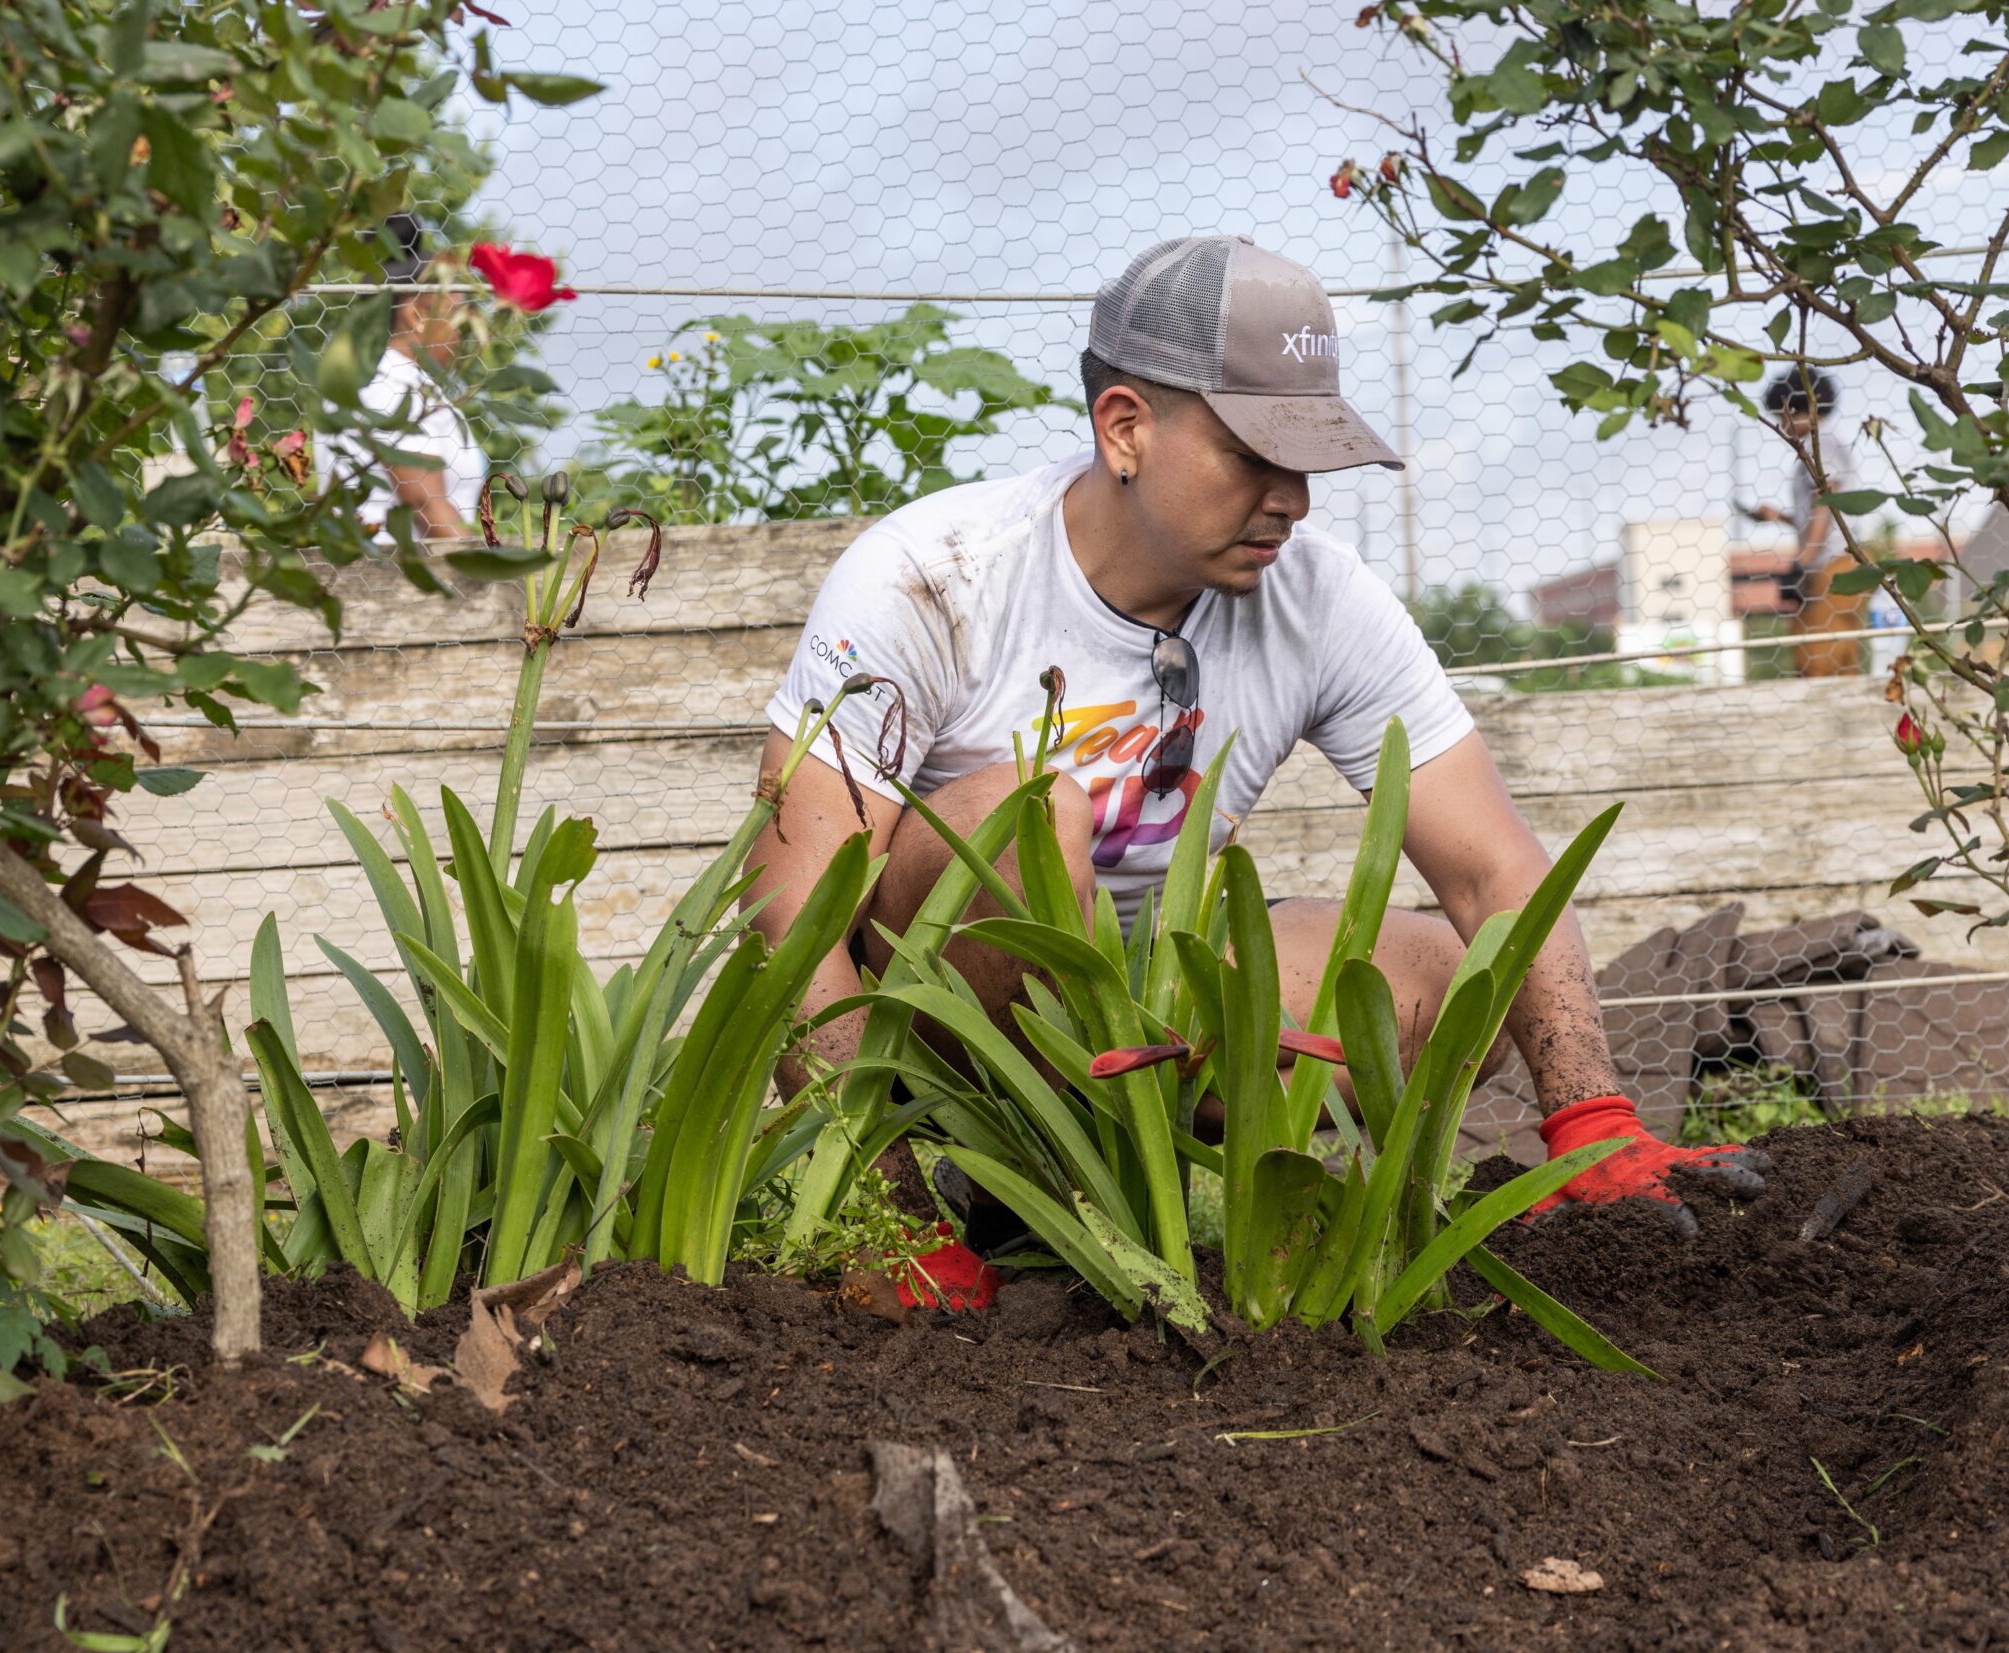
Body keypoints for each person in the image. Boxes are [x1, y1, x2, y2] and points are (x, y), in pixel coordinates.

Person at [752, 236, 1768, 1290]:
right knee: (1027, 809)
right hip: (948, 1016)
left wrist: (1589, 1118)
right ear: (1126, 427)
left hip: (1161, 991)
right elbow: (789, 910)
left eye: (1307, 459)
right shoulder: (933, 577)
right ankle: (994, 1180)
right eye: (1251, 455)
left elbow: (1492, 870)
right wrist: (882, 1215)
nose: (1291, 498)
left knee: (1444, 980)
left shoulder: (1319, 594)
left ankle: (1138, 1179)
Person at [312, 213, 485, 542]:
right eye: (455, 314)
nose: (462, 332)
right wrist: (499, 579)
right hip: (392, 581)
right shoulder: (392, 387)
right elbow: (426, 505)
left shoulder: (388, 381)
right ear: (416, 313)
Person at [1747, 364, 1865, 675]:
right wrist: (1781, 518)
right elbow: (1820, 511)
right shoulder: (1822, 444)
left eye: (1781, 415)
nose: (1781, 425)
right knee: (1838, 655)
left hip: (1833, 565)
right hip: (1830, 560)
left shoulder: (1822, 443)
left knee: (1819, 656)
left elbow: (1825, 505)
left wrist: (1803, 561)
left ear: (1798, 409)